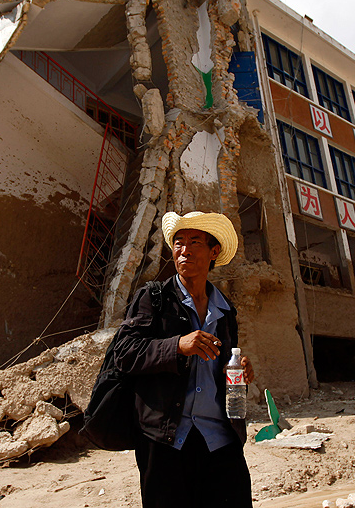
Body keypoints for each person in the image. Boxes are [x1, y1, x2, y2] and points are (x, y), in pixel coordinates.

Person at [113, 211, 255, 508]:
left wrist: (240, 368)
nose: (184, 250)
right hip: (165, 441)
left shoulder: (226, 311)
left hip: (220, 438)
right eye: (178, 243)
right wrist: (177, 345)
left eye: (194, 242)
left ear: (214, 251)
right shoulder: (153, 298)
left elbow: (226, 361)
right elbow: (123, 354)